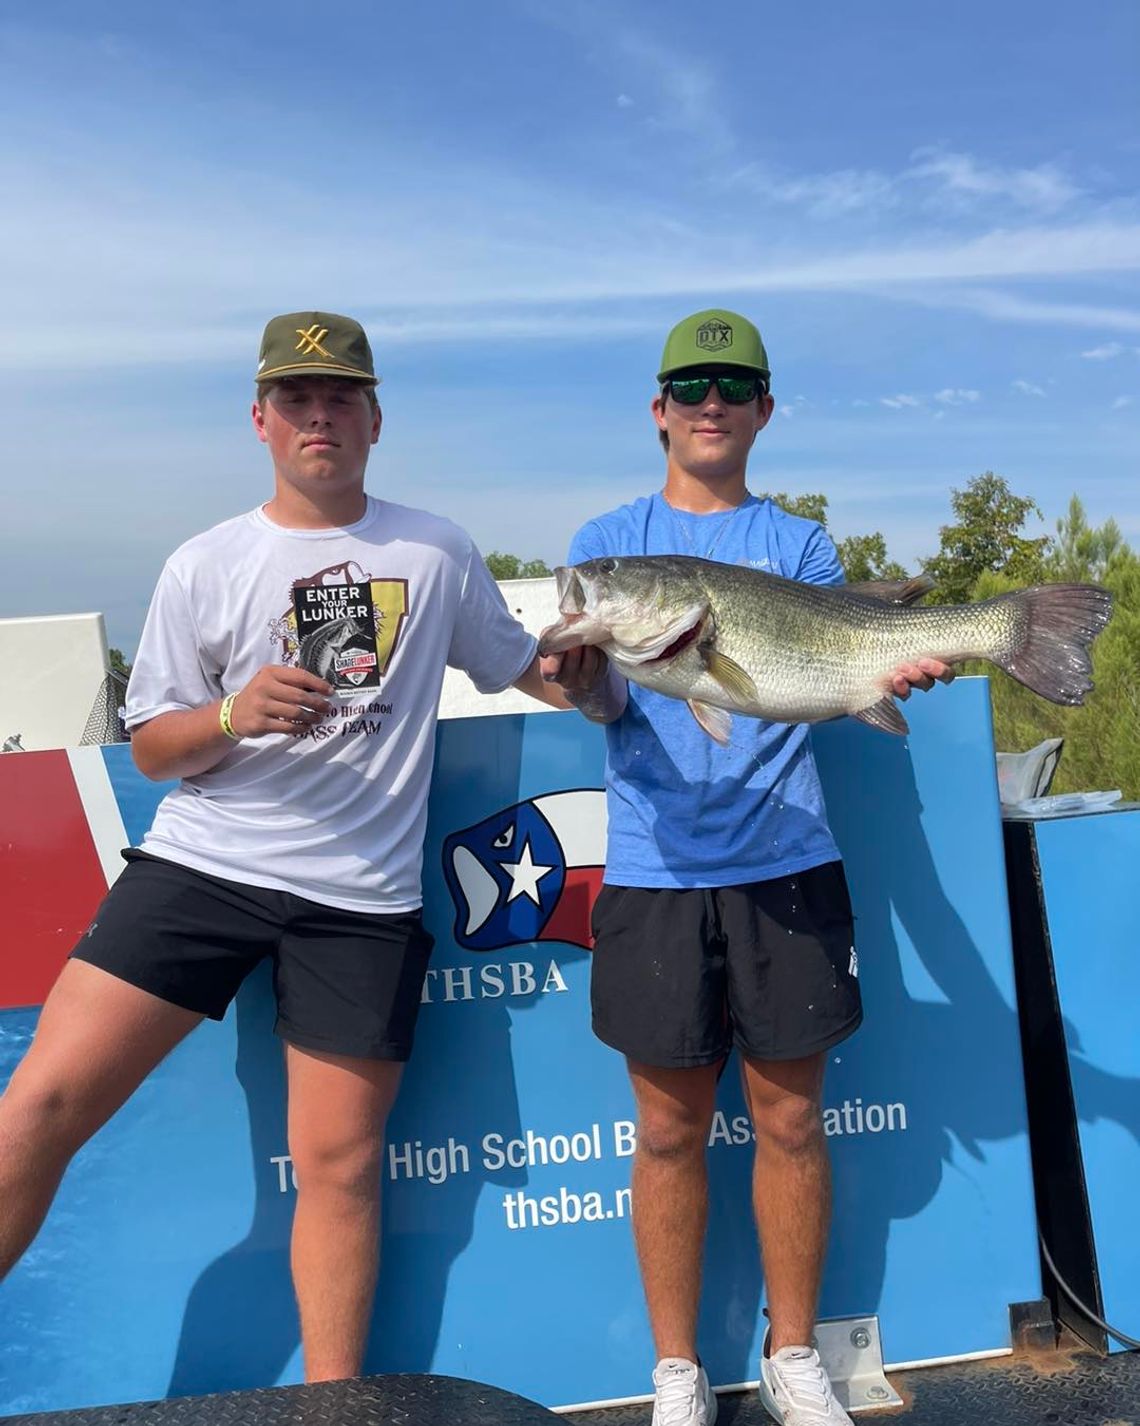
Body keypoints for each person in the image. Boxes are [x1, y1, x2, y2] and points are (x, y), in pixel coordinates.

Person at [0, 310, 569, 1382]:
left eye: (341, 397)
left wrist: (634, 671)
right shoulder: (205, 563)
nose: (321, 416)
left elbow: (523, 667)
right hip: (206, 866)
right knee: (37, 1105)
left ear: (375, 418)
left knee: (340, 1169)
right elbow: (156, 747)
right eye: (298, 400)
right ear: (260, 419)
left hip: (360, 901)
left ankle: (334, 1408)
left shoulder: (435, 548)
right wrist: (234, 712)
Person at [542, 309, 953, 1426]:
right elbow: (603, 698)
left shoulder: (797, 543)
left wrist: (887, 669)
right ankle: (678, 1372)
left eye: (732, 384)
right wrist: (580, 675)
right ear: (659, 408)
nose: (708, 402)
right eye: (689, 385)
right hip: (653, 872)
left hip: (786, 860)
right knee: (669, 1128)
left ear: (763, 409)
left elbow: (830, 660)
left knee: (789, 1121)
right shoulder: (610, 534)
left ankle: (793, 1356)